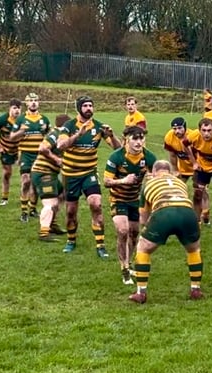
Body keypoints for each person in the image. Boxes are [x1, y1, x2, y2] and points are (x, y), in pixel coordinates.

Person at [129, 160, 203, 304]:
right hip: (188, 212)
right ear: (170, 172)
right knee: (194, 250)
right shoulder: (180, 183)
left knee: (143, 248)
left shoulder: (148, 184)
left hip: (164, 211)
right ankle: (196, 290)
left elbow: (143, 218)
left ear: (154, 172)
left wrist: (152, 229)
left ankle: (141, 293)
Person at [57, 96, 122, 258]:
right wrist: (78, 134)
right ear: (78, 108)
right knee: (71, 211)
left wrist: (112, 135)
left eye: (90, 105)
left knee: (96, 204)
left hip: (89, 173)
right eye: (85, 106)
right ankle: (71, 241)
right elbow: (60, 145)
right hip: (70, 175)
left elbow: (119, 149)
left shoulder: (99, 127)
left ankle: (100, 245)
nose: (88, 108)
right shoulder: (69, 125)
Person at [104, 126, 157, 285]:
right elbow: (106, 182)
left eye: (141, 138)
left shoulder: (148, 157)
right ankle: (124, 269)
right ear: (126, 139)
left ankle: (130, 262)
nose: (139, 142)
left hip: (135, 199)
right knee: (123, 230)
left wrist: (152, 178)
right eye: (135, 138)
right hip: (118, 199)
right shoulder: (116, 157)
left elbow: (157, 175)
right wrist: (123, 180)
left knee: (134, 233)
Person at [10, 93, 51, 221]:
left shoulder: (44, 119)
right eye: (30, 101)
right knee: (26, 181)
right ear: (26, 103)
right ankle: (24, 212)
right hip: (25, 154)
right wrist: (21, 131)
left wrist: (48, 131)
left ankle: (32, 208)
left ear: (39, 103)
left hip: (40, 156)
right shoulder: (21, 119)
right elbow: (12, 137)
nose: (33, 102)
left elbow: (51, 137)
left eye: (35, 100)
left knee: (36, 184)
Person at [164, 117, 212, 224]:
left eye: (180, 128)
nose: (177, 131)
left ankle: (205, 213)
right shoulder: (169, 137)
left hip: (199, 167)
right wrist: (175, 170)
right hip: (183, 169)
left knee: (200, 191)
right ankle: (181, 215)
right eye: (174, 129)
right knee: (176, 190)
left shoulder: (194, 136)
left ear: (185, 127)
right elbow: (172, 155)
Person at [31, 114, 70, 241]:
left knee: (62, 194)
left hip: (50, 173)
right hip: (43, 172)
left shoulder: (61, 135)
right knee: (50, 202)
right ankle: (44, 233)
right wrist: (57, 159)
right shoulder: (56, 134)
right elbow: (42, 148)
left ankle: (52, 224)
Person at [0, 98, 23, 206]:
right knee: (7, 173)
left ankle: (25, 199)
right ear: (10, 109)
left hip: (20, 151)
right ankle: (5, 198)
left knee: (25, 174)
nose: (17, 110)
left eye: (19, 108)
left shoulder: (24, 119)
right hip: (6, 151)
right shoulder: (3, 119)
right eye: (15, 108)